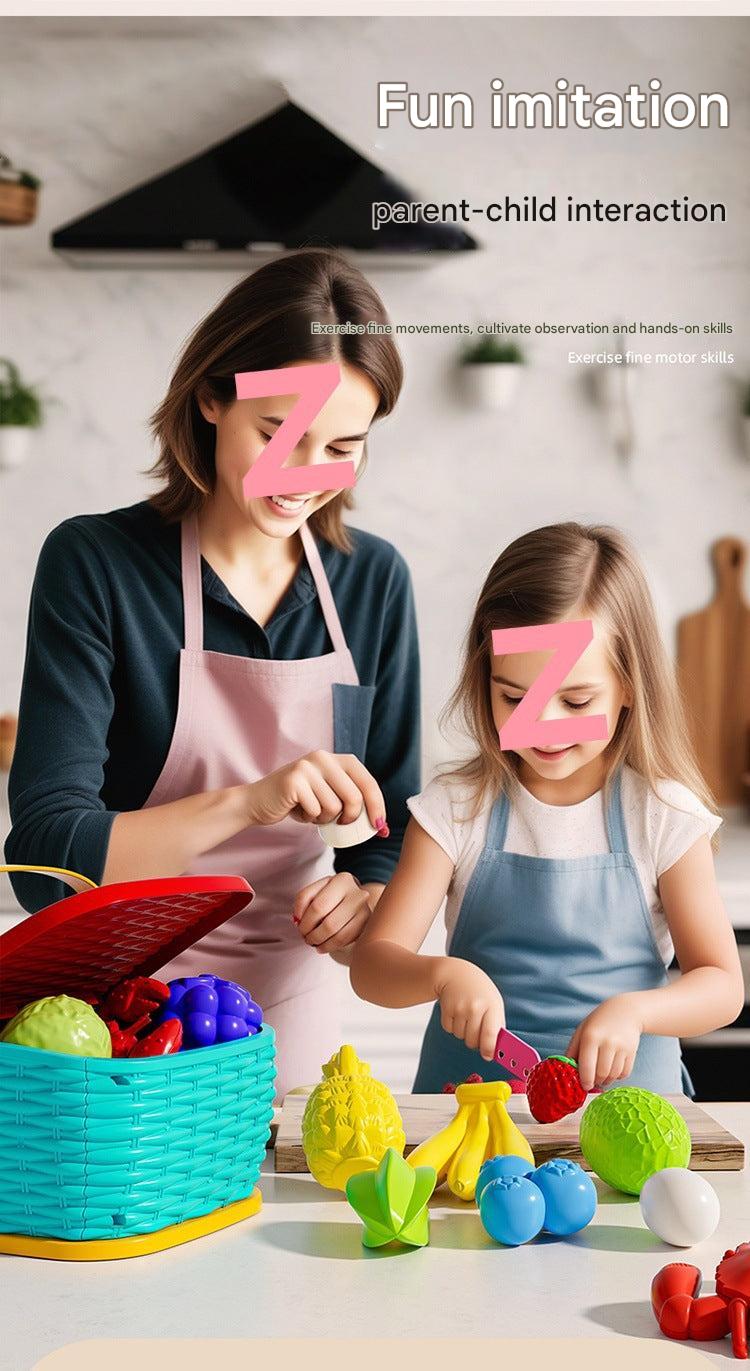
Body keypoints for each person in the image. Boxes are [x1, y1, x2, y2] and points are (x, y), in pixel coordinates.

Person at [6, 249, 421, 1100]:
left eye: (342, 445)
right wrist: (250, 799)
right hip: (117, 1025)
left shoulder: (372, 582)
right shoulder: (97, 564)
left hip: (289, 1017)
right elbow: (46, 857)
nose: (304, 476)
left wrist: (368, 895)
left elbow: (396, 825)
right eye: (277, 433)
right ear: (211, 396)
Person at [350, 522, 743, 1095]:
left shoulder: (661, 814)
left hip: (630, 1106)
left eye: (576, 699)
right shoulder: (456, 810)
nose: (543, 725)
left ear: (629, 684)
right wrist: (440, 974)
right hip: (475, 1109)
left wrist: (635, 1012)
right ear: (484, 679)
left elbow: (722, 986)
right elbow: (373, 966)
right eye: (514, 696)